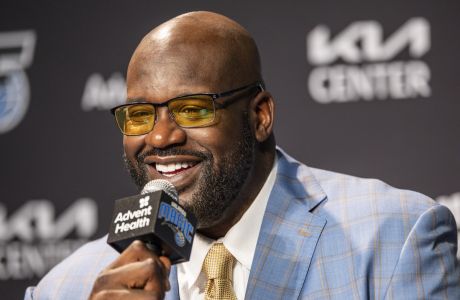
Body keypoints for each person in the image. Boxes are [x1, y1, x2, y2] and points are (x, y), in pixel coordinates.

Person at [25, 11, 459, 300]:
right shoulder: (65, 288)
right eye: (140, 116)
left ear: (260, 116)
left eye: (192, 109)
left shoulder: (392, 242)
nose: (159, 138)